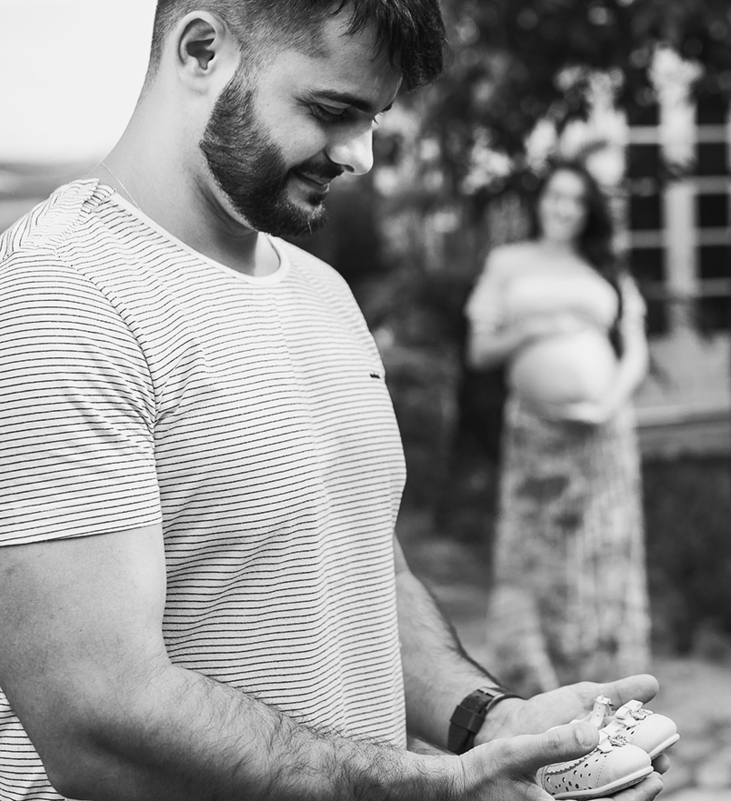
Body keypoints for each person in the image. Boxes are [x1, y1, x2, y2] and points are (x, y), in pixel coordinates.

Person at [0, 3, 667, 800]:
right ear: (203, 50)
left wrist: (488, 721)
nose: (362, 155)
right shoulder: (60, 296)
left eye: (374, 118)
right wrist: (434, 785)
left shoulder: (321, 290)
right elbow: (94, 720)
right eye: (332, 110)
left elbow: (356, 560)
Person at [466, 162, 652, 697]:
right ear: (540, 201)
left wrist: (607, 404)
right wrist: (534, 328)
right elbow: (480, 351)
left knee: (603, 554)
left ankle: (606, 683)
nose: (563, 208)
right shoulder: (508, 262)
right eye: (555, 196)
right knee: (534, 559)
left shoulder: (607, 267)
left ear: (588, 211)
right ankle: (534, 683)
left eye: (576, 200)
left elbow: (636, 351)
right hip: (535, 435)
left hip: (604, 436)